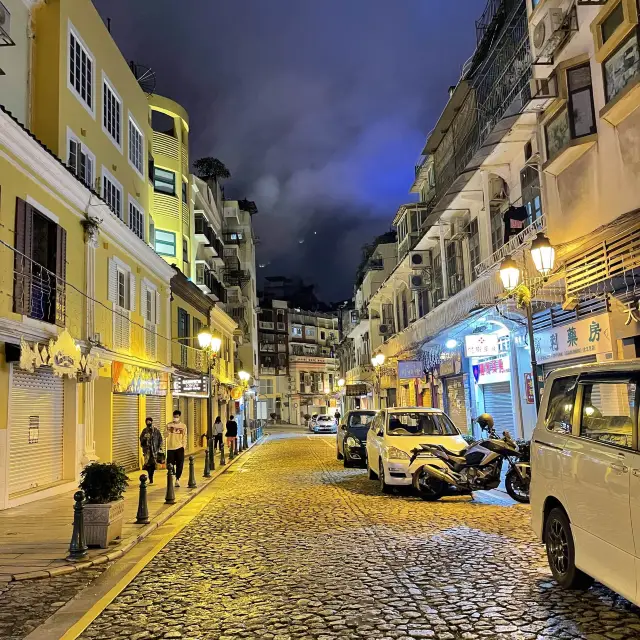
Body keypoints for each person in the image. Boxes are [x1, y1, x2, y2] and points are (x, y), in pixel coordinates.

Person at [166, 410, 187, 487]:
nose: (176, 418)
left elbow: (185, 437)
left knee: (180, 464)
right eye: (174, 417)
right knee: (170, 464)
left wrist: (183, 447)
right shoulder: (168, 425)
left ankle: (177, 479)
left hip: (179, 447)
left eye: (177, 417)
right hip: (170, 448)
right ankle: (172, 475)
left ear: (179, 417)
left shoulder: (183, 426)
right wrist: (168, 431)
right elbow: (165, 435)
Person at [140, 417, 163, 484]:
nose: (148, 423)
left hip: (154, 451)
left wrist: (160, 448)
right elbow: (141, 440)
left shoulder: (156, 431)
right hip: (147, 451)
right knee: (147, 465)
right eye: (147, 422)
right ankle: (150, 476)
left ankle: (151, 478)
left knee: (152, 465)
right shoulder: (144, 431)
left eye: (149, 422)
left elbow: (160, 440)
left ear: (152, 422)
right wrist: (144, 438)